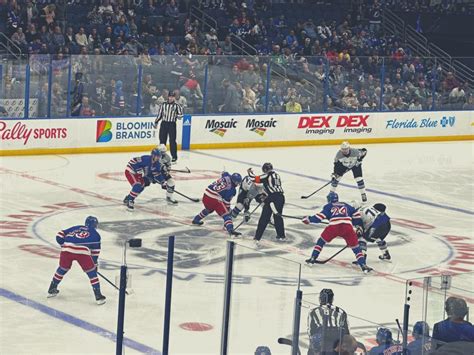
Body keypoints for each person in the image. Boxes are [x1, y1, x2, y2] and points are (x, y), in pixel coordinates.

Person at [302, 192, 373, 273]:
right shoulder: (346, 205)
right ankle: (363, 265)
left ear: (329, 199)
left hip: (334, 227)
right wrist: (358, 226)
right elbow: (356, 214)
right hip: (347, 227)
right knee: (356, 248)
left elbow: (319, 217)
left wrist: (308, 219)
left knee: (321, 241)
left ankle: (313, 258)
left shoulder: (328, 206)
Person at [47, 216, 106, 305]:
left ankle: (52, 288)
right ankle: (98, 296)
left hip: (67, 249)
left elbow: (60, 234)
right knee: (91, 274)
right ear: (95, 225)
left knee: (62, 269)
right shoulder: (96, 235)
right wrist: (94, 265)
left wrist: (63, 244)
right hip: (82, 251)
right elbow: (95, 252)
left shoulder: (76, 227)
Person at [192, 172, 243, 237]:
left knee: (209, 209)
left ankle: (196, 219)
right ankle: (230, 230)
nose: (238, 184)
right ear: (234, 181)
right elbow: (226, 202)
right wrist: (228, 211)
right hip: (214, 198)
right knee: (226, 215)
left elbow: (224, 173)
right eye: (237, 182)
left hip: (206, 195)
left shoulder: (227, 176)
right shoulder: (232, 190)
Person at [248, 163, 286, 244]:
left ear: (265, 170)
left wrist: (249, 172)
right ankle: (281, 236)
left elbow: (253, 178)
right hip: (281, 198)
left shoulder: (267, 175)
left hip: (273, 198)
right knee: (278, 217)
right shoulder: (277, 175)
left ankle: (257, 238)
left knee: (264, 218)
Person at [307, 289, 349, 355]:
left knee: (314, 341)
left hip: (322, 342)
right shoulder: (341, 312)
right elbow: (346, 332)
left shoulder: (313, 312)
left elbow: (311, 332)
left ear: (320, 299)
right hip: (336, 342)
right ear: (332, 299)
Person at [154, 91, 183, 164]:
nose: (171, 98)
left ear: (174, 97)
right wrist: (156, 122)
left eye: (173, 97)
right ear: (168, 96)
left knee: (172, 141)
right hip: (164, 123)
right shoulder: (163, 104)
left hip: (172, 124)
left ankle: (174, 157)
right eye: (170, 96)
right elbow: (160, 114)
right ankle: (161, 156)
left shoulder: (177, 106)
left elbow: (180, 116)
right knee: (162, 141)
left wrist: (177, 115)